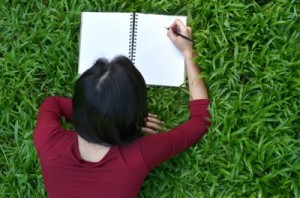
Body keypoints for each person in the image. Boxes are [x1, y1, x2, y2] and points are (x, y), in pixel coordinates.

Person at [33, 19, 210, 198]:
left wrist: (105, 120)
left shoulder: (47, 141)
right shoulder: (138, 155)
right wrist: (188, 51)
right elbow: (201, 120)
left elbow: (52, 102)